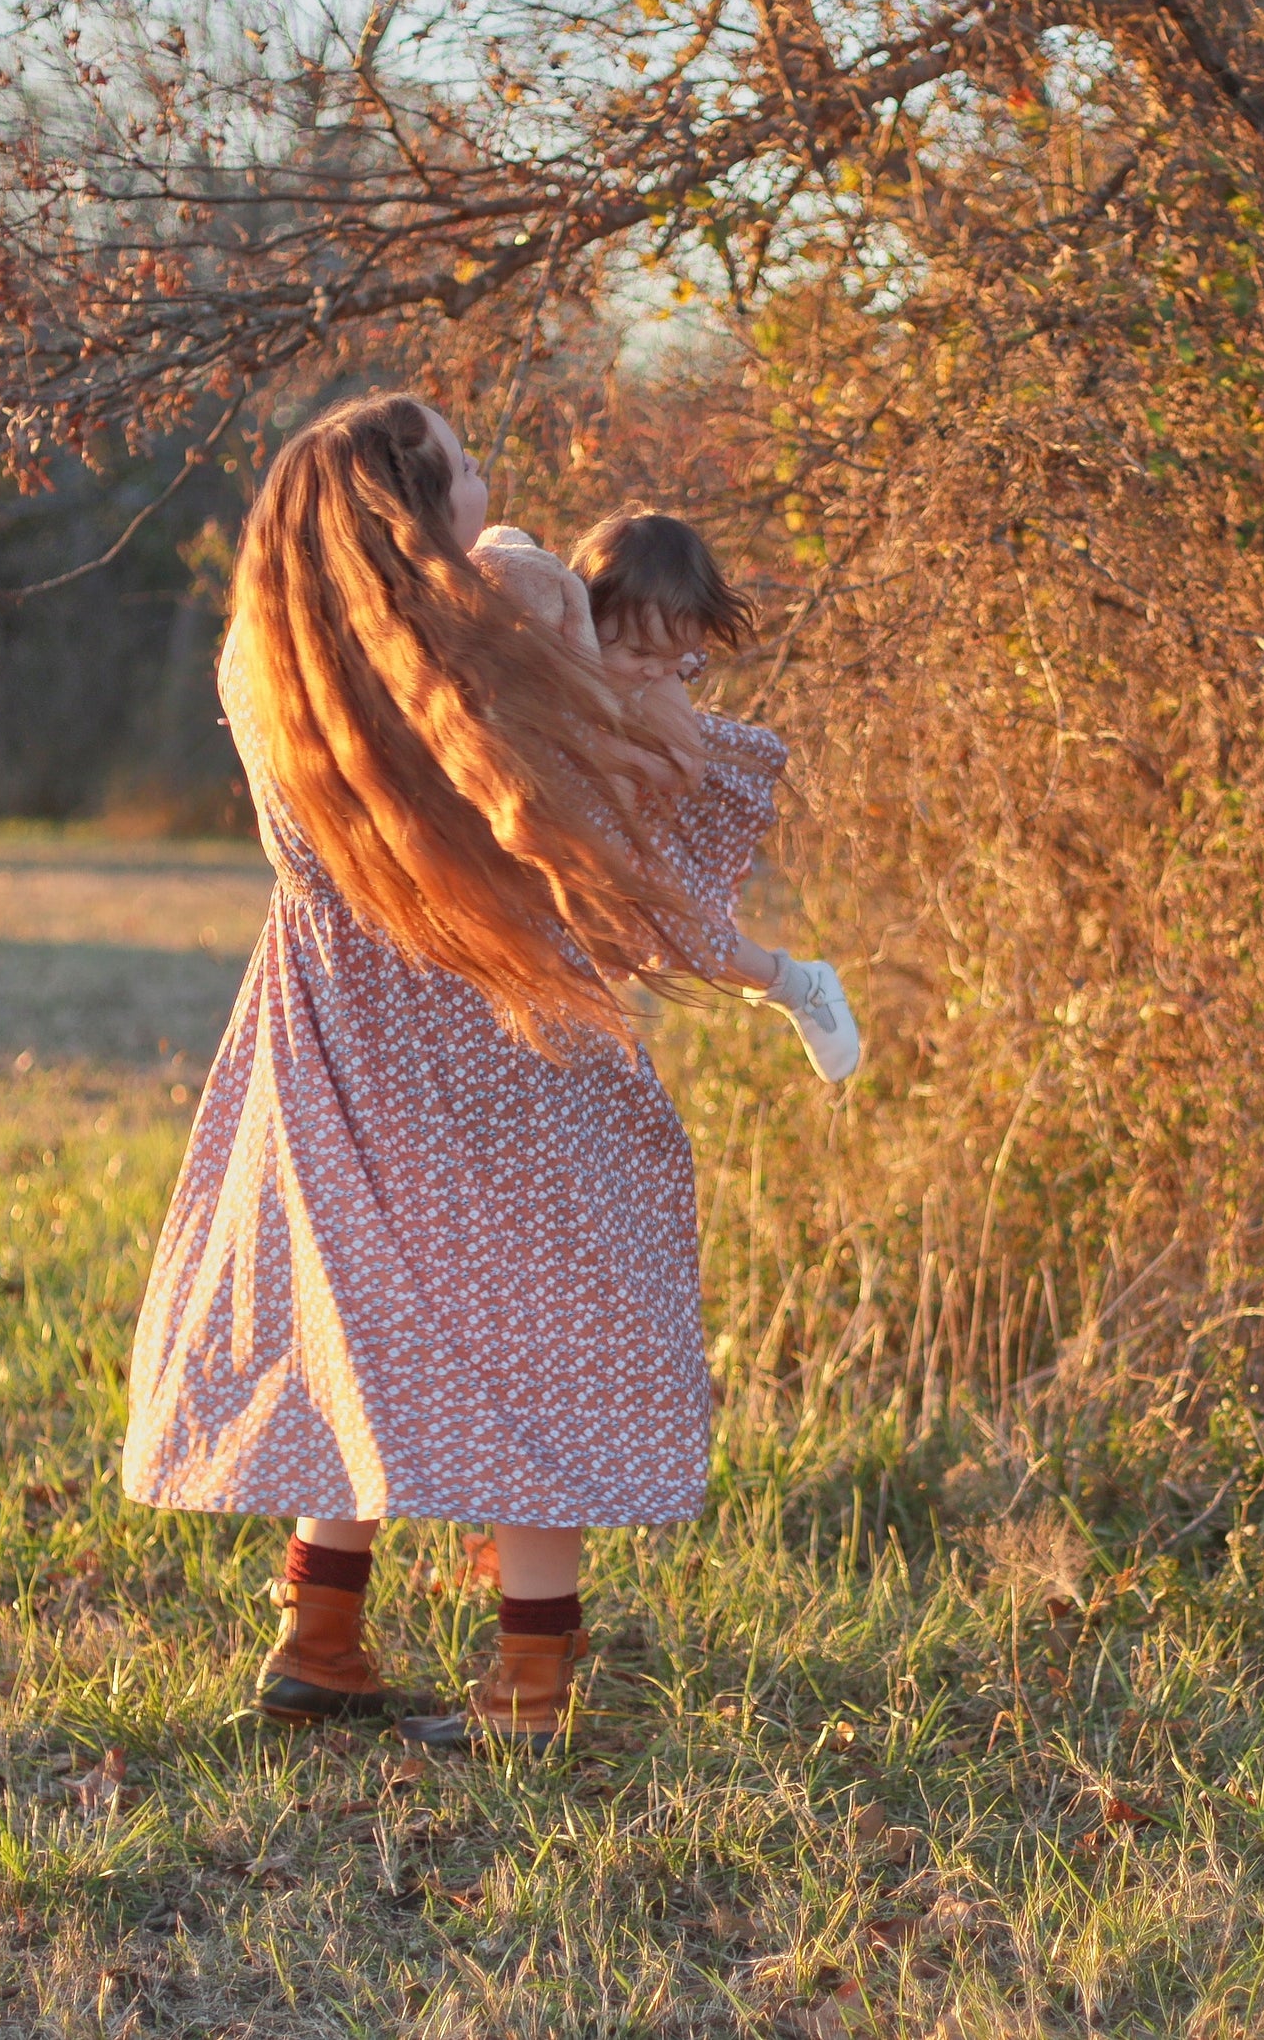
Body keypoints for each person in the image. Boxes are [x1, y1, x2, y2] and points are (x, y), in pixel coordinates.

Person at [120, 394, 793, 1751]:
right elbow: (610, 755)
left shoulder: (265, 655)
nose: (495, 479)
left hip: (324, 1025)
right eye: (469, 464)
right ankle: (529, 1689)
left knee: (351, 1323)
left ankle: (320, 1642)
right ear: (410, 511)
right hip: (490, 1031)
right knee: (550, 1329)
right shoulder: (483, 626)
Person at [474, 513, 861, 1084]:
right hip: (569, 837)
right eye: (639, 653)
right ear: (587, 612)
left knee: (679, 927)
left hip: (640, 831)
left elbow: (683, 768)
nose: (654, 670)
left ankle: (798, 986)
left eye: (673, 657)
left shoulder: (656, 679)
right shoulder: (550, 644)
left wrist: (617, 755)